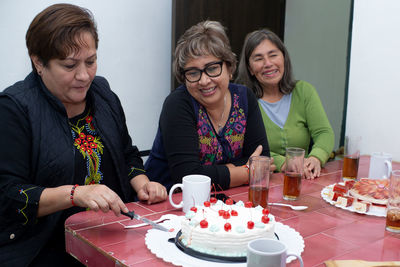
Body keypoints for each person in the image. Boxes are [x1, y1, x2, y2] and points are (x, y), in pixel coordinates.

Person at [0, 4, 167, 266]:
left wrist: (143, 184)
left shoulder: (103, 95)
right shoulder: (15, 109)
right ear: (39, 62)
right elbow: (8, 195)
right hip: (47, 249)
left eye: (91, 61)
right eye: (69, 65)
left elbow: (127, 154)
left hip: (113, 236)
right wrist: (74, 194)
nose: (84, 75)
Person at [145, 20, 272, 192]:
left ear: (229, 67)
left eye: (212, 68)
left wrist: (213, 173)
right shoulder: (177, 104)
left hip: (225, 200)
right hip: (169, 204)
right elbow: (187, 176)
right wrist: (245, 173)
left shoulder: (244, 98)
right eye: (193, 73)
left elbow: (262, 160)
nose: (204, 81)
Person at [236, 29, 334, 179]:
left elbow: (324, 133)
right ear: (250, 68)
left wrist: (315, 158)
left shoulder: (304, 91)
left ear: (284, 58)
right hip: (262, 184)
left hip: (304, 180)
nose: (268, 63)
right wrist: (284, 163)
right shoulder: (242, 101)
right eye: (258, 58)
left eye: (273, 55)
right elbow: (247, 148)